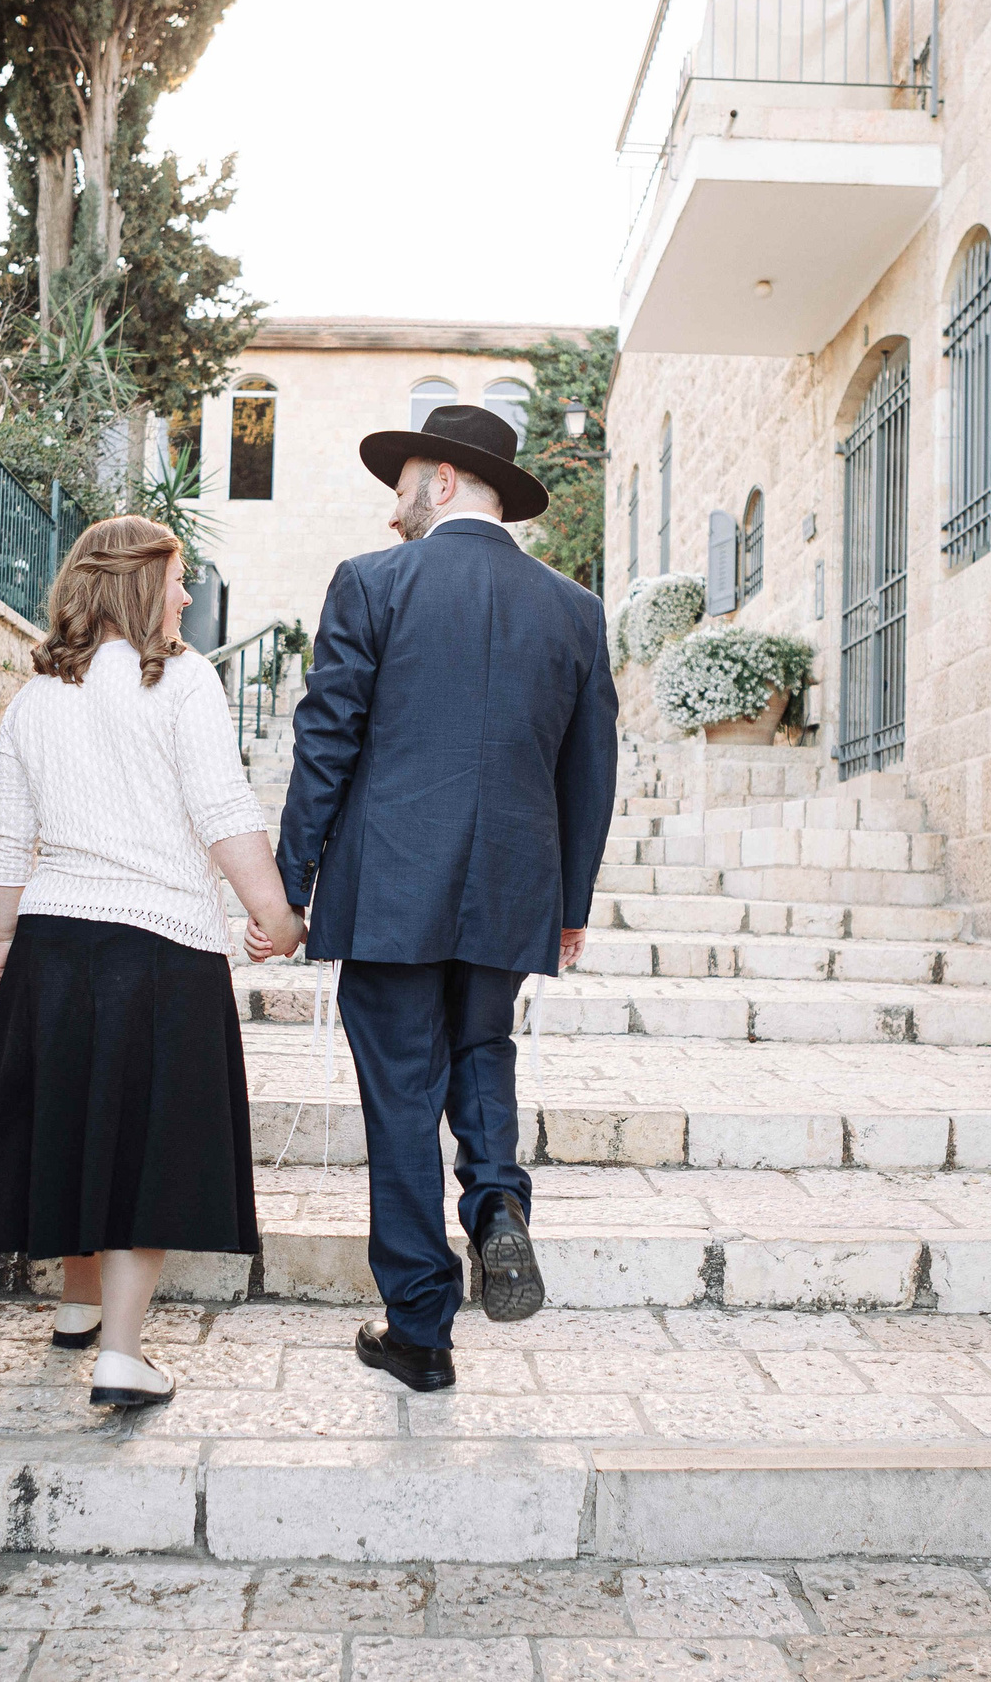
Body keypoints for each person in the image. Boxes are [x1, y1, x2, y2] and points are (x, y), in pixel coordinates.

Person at [266, 404, 618, 1393]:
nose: (392, 511)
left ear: (448, 481)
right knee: (480, 1046)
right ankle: (498, 1201)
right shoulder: (574, 610)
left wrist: (290, 887)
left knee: (400, 1098)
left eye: (403, 484)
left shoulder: (371, 584)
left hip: (390, 888)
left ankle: (420, 1329)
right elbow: (589, 772)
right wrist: (570, 901)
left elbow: (326, 742)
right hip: (511, 886)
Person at [0, 515, 305, 1409]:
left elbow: (8, 839)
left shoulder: (34, 695)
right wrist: (277, 915)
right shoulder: (185, 682)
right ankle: (121, 1352)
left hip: (51, 942)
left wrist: (6, 944)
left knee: (78, 1121)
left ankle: (79, 1307)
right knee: (140, 1149)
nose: (188, 596)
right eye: (177, 577)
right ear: (133, 584)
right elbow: (222, 805)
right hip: (157, 947)